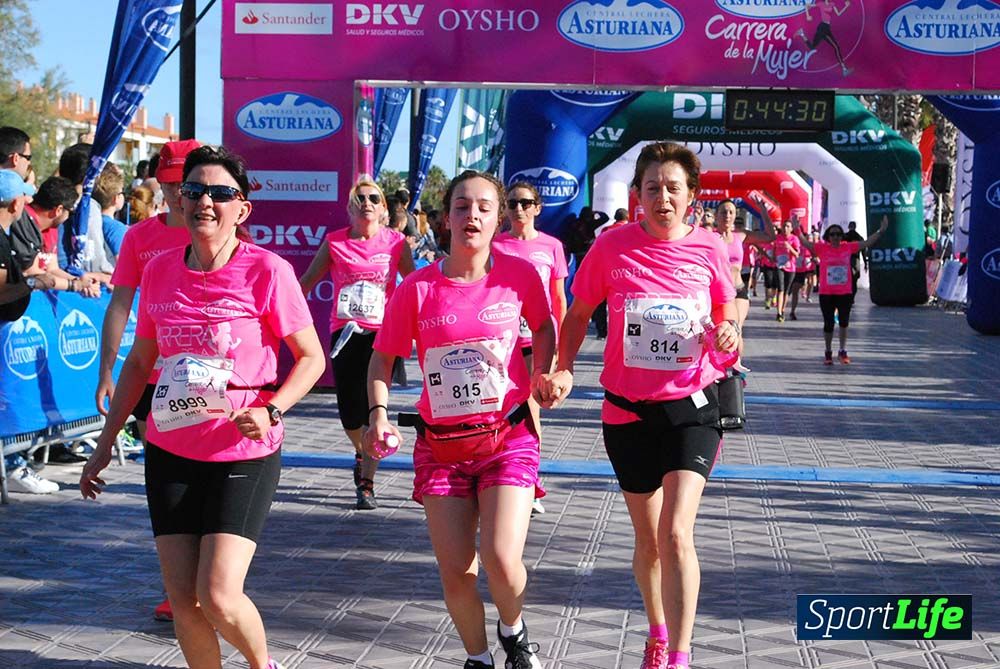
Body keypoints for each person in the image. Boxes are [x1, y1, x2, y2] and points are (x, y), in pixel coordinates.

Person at [79, 145, 325, 669]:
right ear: (178, 200)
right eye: (193, 191)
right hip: (170, 446)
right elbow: (141, 361)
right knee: (183, 602)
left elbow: (311, 359)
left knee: (217, 595)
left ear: (242, 208)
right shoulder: (160, 270)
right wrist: (105, 443)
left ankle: (262, 665)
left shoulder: (268, 270)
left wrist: (272, 409)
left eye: (219, 193)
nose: (204, 202)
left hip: (242, 449)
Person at [539, 142, 739, 669]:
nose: (662, 198)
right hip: (626, 411)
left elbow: (727, 310)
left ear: (691, 196)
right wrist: (564, 367)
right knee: (649, 541)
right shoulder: (612, 246)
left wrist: (729, 331)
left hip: (693, 405)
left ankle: (680, 657)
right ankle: (656, 630)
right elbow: (578, 314)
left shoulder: (710, 247)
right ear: (638, 194)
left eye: (673, 188)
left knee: (676, 534)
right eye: (653, 188)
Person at [364, 170, 555, 669]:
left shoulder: (518, 275)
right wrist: (379, 414)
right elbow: (382, 359)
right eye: (462, 206)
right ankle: (479, 657)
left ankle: (514, 631)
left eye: (484, 208)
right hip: (441, 448)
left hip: (507, 437)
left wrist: (542, 372)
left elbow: (544, 326)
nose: (473, 215)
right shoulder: (417, 288)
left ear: (498, 218)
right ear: (446, 217)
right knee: (457, 572)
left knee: (501, 559)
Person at [299, 176, 414, 510]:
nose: (367, 203)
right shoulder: (335, 242)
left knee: (374, 409)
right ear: (350, 208)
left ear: (383, 209)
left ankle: (366, 482)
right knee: (350, 414)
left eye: (374, 198)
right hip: (345, 333)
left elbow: (415, 283)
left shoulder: (395, 242)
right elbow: (307, 282)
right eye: (360, 198)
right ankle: (363, 450)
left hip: (382, 335)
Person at [492, 181, 569, 515]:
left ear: (538, 208)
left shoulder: (551, 246)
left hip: (537, 339)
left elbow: (559, 298)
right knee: (500, 408)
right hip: (501, 340)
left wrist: (561, 344)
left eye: (525, 203)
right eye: (512, 203)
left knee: (530, 407)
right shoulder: (496, 245)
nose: (519, 209)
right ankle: (503, 474)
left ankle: (528, 480)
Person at [795, 217, 888, 364]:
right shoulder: (822, 248)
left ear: (842, 236)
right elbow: (805, 243)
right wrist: (797, 229)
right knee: (828, 324)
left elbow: (866, 243)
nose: (836, 237)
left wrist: (880, 231)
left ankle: (842, 351)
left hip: (844, 292)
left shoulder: (847, 247)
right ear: (828, 236)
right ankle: (828, 352)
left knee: (844, 322)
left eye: (838, 234)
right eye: (832, 234)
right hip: (827, 292)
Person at [715, 200, 773, 333]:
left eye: (731, 212)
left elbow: (770, 237)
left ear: (735, 215)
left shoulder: (740, 235)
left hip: (738, 289)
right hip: (719, 292)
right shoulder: (709, 236)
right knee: (723, 333)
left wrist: (763, 211)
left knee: (736, 330)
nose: (727, 215)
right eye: (724, 212)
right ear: (717, 215)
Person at [796, 0, 853, 76]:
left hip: (827, 27)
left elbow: (838, 14)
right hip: (822, 27)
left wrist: (846, 7)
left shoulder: (832, 4)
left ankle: (802, 33)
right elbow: (807, 6)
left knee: (812, 47)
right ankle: (844, 69)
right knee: (836, 47)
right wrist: (807, 16)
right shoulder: (821, 4)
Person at [92, 163, 129, 260]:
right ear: (115, 198)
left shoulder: (91, 222)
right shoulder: (116, 228)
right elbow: (122, 261)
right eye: (122, 192)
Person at [771, 220, 801, 322]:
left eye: (788, 226)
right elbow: (774, 249)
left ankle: (783, 310)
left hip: (790, 267)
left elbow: (797, 254)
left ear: (791, 229)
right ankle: (778, 313)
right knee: (780, 289)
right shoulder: (777, 237)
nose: (785, 228)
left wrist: (789, 247)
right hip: (779, 266)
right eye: (784, 226)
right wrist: (773, 257)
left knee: (787, 291)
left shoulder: (794, 239)